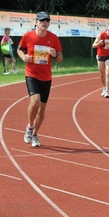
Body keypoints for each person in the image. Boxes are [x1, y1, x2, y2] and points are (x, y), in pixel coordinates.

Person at [17, 11, 63, 147]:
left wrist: (55, 55)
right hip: (31, 73)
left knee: (42, 109)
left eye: (47, 21)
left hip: (46, 77)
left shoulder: (53, 38)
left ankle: (35, 134)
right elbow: (20, 49)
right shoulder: (28, 36)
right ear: (36, 22)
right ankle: (30, 128)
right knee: (35, 100)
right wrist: (24, 57)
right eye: (42, 20)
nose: (45, 23)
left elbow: (60, 58)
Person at [92, 24, 109, 98]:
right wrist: (99, 43)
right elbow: (93, 45)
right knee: (102, 74)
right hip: (100, 56)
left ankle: (107, 90)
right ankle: (104, 87)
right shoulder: (101, 35)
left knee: (108, 72)